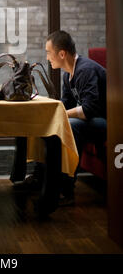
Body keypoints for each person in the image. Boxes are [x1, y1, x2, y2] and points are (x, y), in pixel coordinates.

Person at [45, 30, 107, 205]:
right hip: (94, 119)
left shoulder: (85, 70)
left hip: (110, 121)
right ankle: (44, 180)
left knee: (72, 125)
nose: (48, 57)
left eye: (49, 52)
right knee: (56, 123)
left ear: (62, 53)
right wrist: (51, 112)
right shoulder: (68, 74)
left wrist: (61, 114)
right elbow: (65, 104)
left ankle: (66, 190)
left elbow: (89, 109)